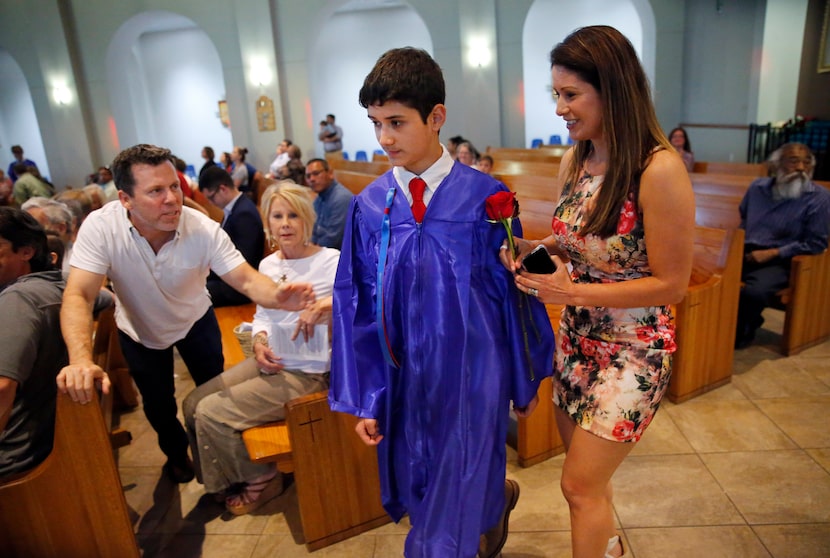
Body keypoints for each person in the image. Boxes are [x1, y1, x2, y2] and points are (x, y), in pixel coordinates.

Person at [328, 47, 554, 558]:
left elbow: (512, 293)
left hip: (476, 373)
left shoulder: (486, 199)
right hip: (403, 375)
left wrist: (522, 376)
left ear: (436, 118)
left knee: (449, 506)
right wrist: (365, 394)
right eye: (375, 123)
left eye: (397, 122)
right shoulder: (370, 207)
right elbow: (354, 302)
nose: (384, 138)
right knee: (421, 480)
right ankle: (495, 505)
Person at [503, 26, 694, 558]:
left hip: (635, 351)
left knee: (577, 486)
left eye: (571, 95)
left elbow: (673, 284)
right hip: (579, 342)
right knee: (593, 483)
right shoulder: (576, 161)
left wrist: (574, 295)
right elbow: (575, 245)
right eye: (556, 95)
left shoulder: (657, 171)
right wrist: (527, 249)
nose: (561, 108)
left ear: (611, 90)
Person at [55, 144, 315, 484]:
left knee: (213, 396)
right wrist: (79, 358)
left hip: (196, 320)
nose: (172, 199)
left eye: (174, 186)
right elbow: (78, 293)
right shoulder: (101, 227)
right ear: (125, 199)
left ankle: (218, 464)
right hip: (139, 328)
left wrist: (279, 296)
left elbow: (247, 278)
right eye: (155, 191)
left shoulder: (201, 228)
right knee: (159, 404)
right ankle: (177, 456)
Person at [183, 183, 339, 515]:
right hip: (276, 359)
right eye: (278, 216)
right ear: (268, 223)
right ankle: (222, 475)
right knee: (193, 402)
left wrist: (325, 305)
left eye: (293, 215)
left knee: (212, 412)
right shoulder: (268, 266)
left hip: (312, 371)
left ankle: (261, 477)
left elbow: (361, 302)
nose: (285, 224)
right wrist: (259, 342)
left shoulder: (331, 261)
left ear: (307, 219)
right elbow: (263, 315)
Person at [0, 208, 109, 478]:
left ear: (25, 252)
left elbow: (2, 387)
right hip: (51, 434)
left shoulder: (19, 299)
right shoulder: (62, 283)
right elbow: (108, 300)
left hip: (18, 453)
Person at [735, 142, 830, 349]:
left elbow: (816, 243)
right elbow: (744, 217)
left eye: (807, 162)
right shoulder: (757, 188)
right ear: (776, 165)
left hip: (782, 260)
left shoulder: (819, 198)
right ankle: (717, 326)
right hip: (746, 251)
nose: (801, 168)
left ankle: (742, 328)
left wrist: (772, 252)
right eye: (793, 161)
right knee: (705, 276)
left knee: (754, 291)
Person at [199, 166, 265, 307]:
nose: (210, 203)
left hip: (238, 287)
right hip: (230, 278)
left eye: (211, 197)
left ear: (223, 189)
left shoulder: (244, 214)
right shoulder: (235, 208)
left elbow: (244, 258)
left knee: (194, 294)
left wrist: (209, 269)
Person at [304, 158, 353, 249]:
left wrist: (311, 251)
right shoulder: (319, 198)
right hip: (322, 249)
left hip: (339, 254)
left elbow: (333, 239)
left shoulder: (341, 198)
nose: (312, 179)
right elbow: (313, 228)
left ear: (330, 174)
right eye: (308, 176)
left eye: (316, 173)